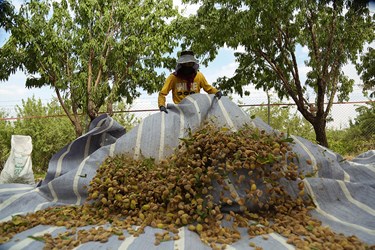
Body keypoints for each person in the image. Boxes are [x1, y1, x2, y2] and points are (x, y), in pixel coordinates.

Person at [158, 50, 222, 113]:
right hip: (179, 110)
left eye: (189, 63)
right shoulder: (173, 78)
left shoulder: (199, 76)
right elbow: (162, 93)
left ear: (193, 64)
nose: (187, 66)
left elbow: (208, 88)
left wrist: (216, 92)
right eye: (185, 64)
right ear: (181, 64)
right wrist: (162, 106)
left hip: (196, 109)